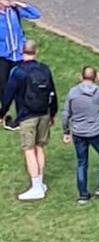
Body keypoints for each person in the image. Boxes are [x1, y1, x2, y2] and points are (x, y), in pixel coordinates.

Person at [4, 36, 58, 201]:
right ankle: (40, 182)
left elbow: (8, 94)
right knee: (39, 147)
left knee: (29, 149)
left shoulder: (18, 72)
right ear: (36, 51)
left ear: (22, 51)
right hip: (44, 113)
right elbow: (52, 92)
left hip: (27, 115)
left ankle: (36, 187)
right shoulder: (45, 69)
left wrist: (2, 113)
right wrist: (52, 113)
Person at [62, 64, 99, 203]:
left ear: (81, 77)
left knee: (81, 162)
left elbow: (66, 113)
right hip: (95, 132)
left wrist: (66, 131)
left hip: (78, 133)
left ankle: (83, 195)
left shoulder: (73, 92)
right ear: (95, 78)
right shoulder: (98, 92)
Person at [0, 0, 40, 70]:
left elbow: (36, 14)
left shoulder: (14, 10)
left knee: (19, 76)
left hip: (19, 54)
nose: (7, 0)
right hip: (3, 55)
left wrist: (22, 5)